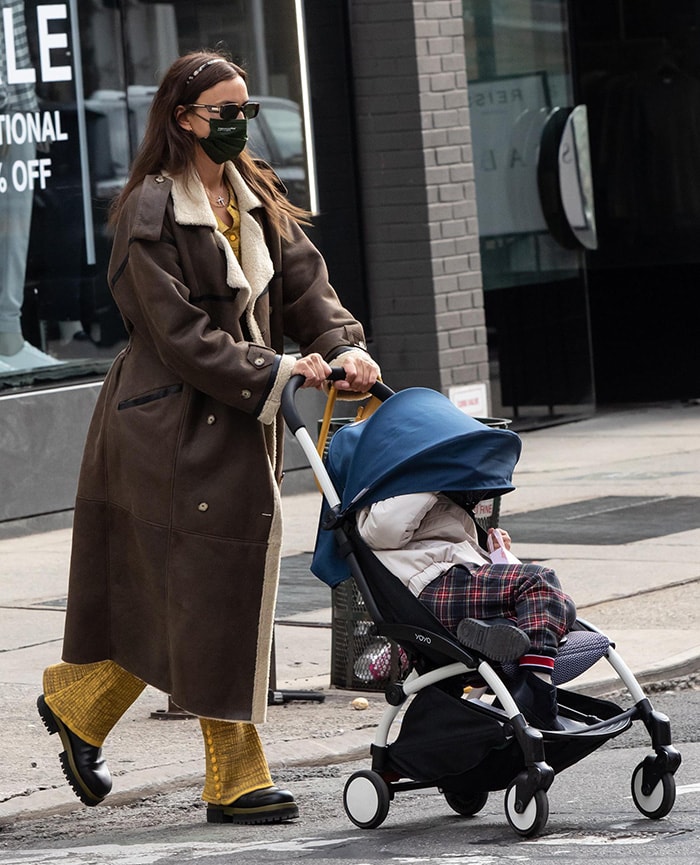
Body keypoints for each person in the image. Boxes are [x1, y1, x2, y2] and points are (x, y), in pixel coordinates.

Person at [37, 49, 380, 825]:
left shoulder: (253, 193)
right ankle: (228, 770)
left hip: (238, 414)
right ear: (182, 118)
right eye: (222, 113)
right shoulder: (148, 212)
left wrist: (343, 342)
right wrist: (280, 367)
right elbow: (182, 337)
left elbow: (303, 286)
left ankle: (83, 703)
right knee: (204, 590)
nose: (236, 126)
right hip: (167, 426)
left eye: (245, 112)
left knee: (208, 591)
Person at [356, 491, 576, 730]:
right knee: (539, 580)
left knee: (562, 605)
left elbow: (450, 541)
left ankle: (499, 631)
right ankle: (536, 689)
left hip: (458, 578)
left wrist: (492, 552)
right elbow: (381, 531)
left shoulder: (441, 494)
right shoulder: (390, 494)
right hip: (432, 587)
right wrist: (432, 481)